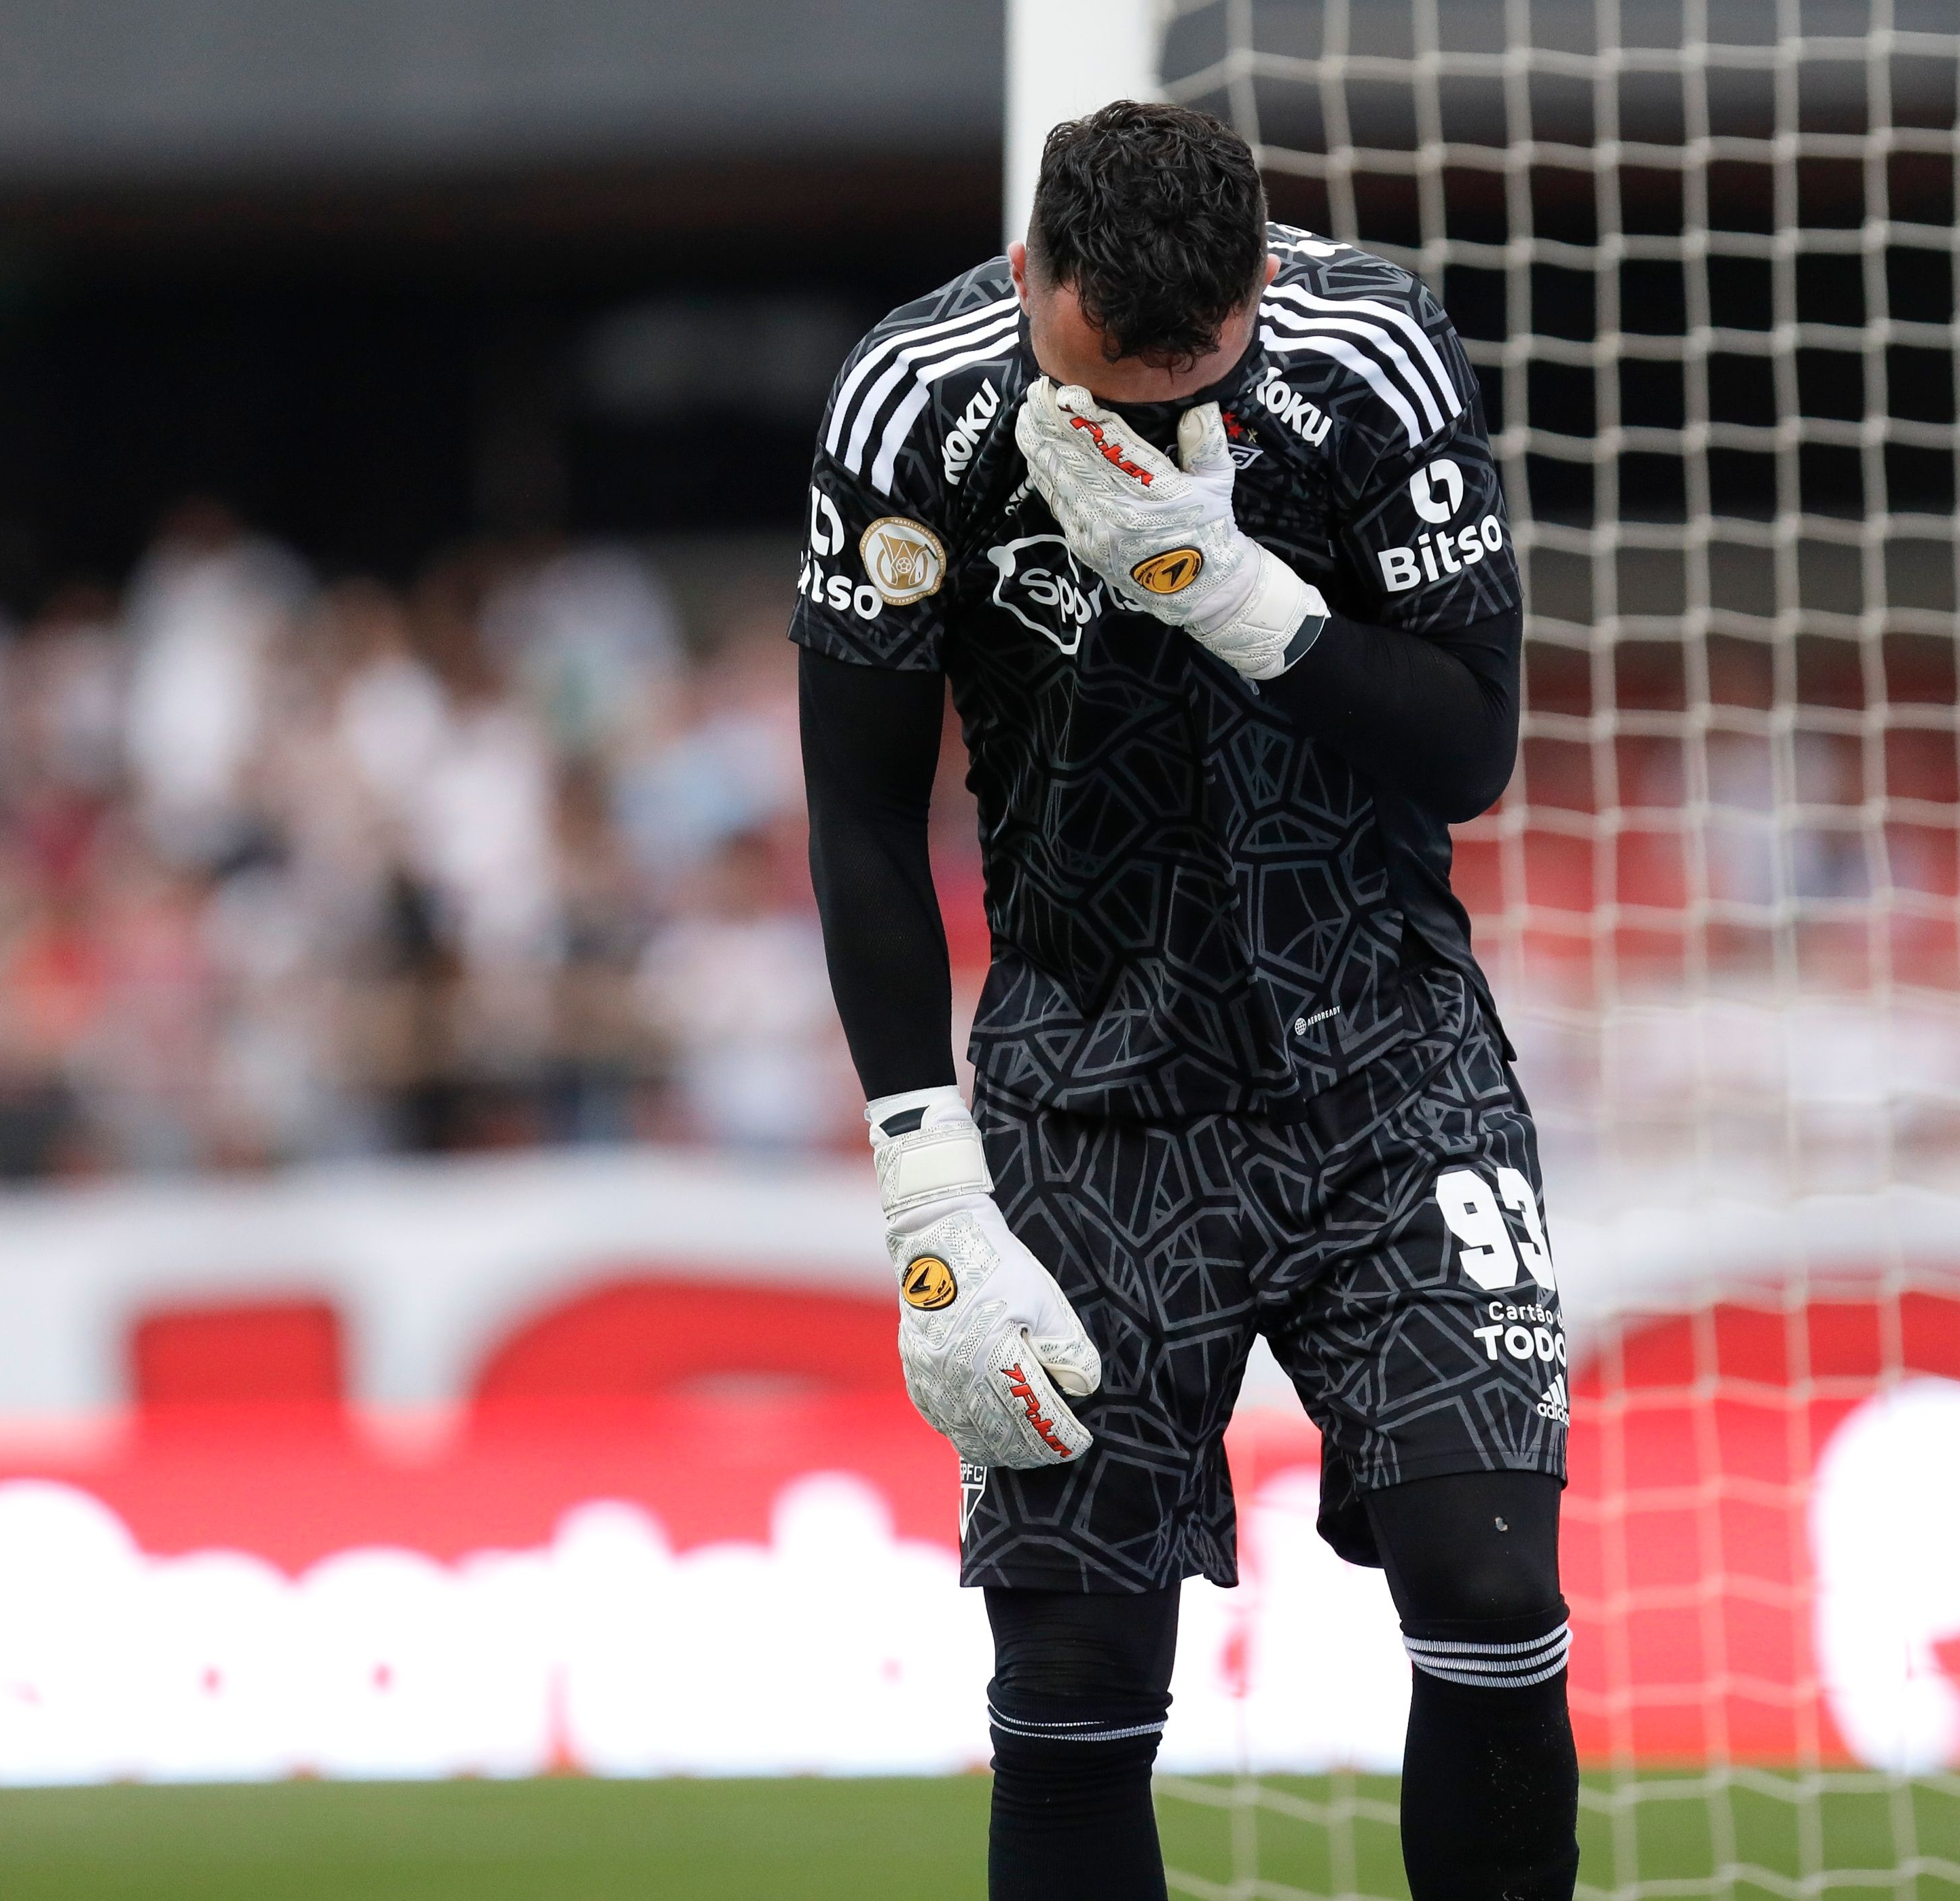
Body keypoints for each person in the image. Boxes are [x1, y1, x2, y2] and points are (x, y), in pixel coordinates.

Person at [793, 101, 1574, 1901]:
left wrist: (1245, 600)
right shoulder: (911, 404)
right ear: (1028, 281)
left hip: (1388, 1057)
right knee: (1071, 1676)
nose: (1153, 406)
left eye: (1194, 365)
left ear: (1258, 288)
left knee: (1492, 1583)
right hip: (1086, 1095)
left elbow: (1472, 748)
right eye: (1107, 363)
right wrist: (927, 1184)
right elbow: (857, 813)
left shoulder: (1369, 357)